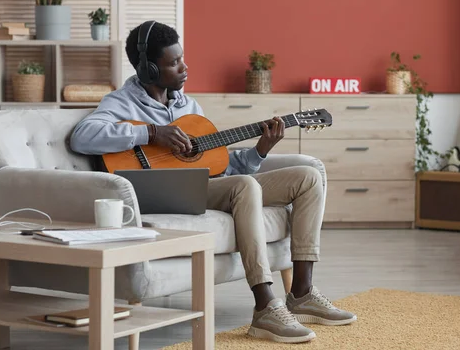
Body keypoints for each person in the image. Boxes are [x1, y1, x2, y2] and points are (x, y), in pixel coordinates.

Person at [70, 20, 356, 343]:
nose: (184, 67)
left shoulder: (188, 107)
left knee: (308, 177)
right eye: (174, 62)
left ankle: (301, 293)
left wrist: (259, 150)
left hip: (202, 187)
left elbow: (220, 164)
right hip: (156, 193)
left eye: (182, 58)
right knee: (245, 187)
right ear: (149, 70)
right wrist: (151, 132)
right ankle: (264, 306)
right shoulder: (122, 103)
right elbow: (83, 136)